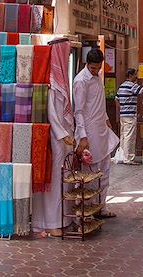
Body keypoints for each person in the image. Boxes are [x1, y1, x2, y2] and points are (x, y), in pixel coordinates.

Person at [32, 41, 73, 238]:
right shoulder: (50, 81)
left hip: (63, 140)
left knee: (61, 180)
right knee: (53, 181)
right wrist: (63, 134)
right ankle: (50, 222)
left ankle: (62, 219)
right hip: (54, 139)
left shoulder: (61, 80)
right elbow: (51, 113)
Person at [72, 48, 120, 219]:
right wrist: (83, 136)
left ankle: (101, 206)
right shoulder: (81, 81)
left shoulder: (98, 77)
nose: (94, 71)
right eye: (92, 68)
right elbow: (79, 111)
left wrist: (107, 119)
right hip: (89, 132)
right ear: (87, 64)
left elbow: (98, 103)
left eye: (97, 68)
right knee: (90, 173)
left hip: (101, 128)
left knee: (104, 171)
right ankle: (87, 210)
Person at [115, 68, 143, 164]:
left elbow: (116, 99)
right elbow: (142, 91)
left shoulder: (121, 86)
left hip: (123, 115)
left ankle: (123, 156)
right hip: (130, 114)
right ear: (130, 75)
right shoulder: (132, 86)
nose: (136, 77)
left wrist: (121, 108)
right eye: (135, 75)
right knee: (130, 136)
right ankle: (128, 158)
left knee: (123, 135)